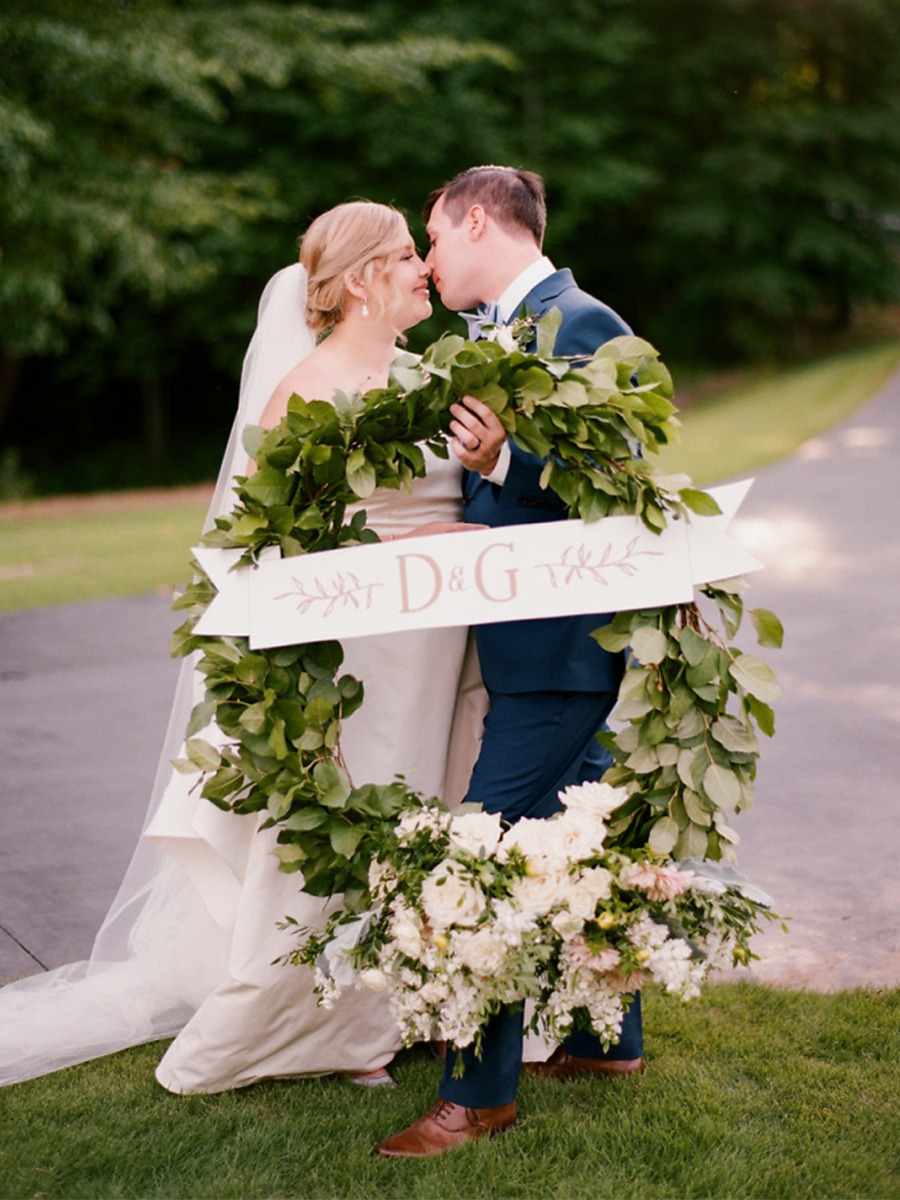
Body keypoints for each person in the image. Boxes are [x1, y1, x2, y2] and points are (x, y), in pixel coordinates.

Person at [0, 201, 495, 1092]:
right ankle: (304, 1024)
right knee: (353, 819)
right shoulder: (305, 388)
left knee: (431, 807)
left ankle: (407, 1003)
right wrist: (420, 551)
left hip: (439, 644)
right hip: (361, 657)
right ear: (358, 281)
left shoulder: (428, 377)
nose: (425, 267)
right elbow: (282, 546)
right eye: (404, 256)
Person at [374, 166, 645, 1158]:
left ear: (479, 221)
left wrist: (505, 463)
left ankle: (476, 1093)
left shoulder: (583, 323)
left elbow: (626, 478)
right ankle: (605, 1036)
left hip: (565, 647)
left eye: (435, 238)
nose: (430, 258)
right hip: (528, 642)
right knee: (591, 840)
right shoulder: (496, 334)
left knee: (479, 855)